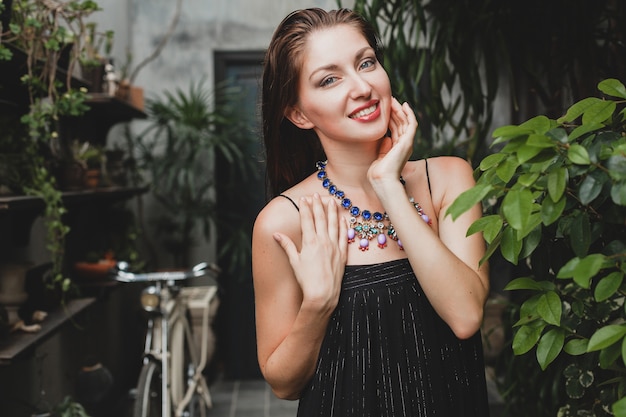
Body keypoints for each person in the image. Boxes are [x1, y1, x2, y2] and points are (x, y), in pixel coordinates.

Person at [252, 7, 491, 417]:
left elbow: (465, 315)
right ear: (299, 113)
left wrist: (388, 185)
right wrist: (318, 304)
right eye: (329, 79)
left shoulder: (449, 179)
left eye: (366, 63)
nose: (362, 86)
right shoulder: (284, 220)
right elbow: (282, 383)